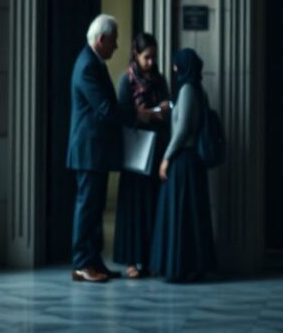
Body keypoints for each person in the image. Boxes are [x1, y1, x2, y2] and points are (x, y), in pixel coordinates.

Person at [68, 14, 157, 283]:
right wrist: (137, 114)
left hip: (95, 151)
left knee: (94, 209)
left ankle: (94, 262)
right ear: (102, 39)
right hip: (88, 151)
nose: (117, 47)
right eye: (114, 41)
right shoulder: (87, 66)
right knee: (87, 208)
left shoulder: (93, 62)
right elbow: (106, 109)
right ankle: (83, 264)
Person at [150, 48, 217, 282]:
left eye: (177, 65)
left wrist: (166, 158)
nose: (174, 68)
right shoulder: (195, 89)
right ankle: (192, 266)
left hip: (184, 160)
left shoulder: (187, 90)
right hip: (191, 162)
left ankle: (180, 268)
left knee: (180, 216)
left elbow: (181, 132)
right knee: (190, 217)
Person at [113, 33, 172, 279]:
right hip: (136, 150)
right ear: (135, 55)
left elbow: (167, 106)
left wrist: (161, 112)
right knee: (133, 206)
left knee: (152, 204)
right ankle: (130, 261)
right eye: (147, 57)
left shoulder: (160, 79)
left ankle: (149, 258)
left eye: (154, 57)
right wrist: (142, 115)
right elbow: (123, 113)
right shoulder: (126, 81)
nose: (151, 62)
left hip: (156, 146)